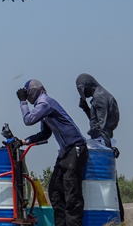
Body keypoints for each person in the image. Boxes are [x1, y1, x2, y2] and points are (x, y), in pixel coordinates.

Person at [15, 79, 87, 226]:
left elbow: (28, 120)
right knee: (55, 191)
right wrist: (23, 141)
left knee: (71, 191)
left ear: (33, 92)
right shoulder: (43, 108)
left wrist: (23, 102)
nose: (27, 97)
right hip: (66, 152)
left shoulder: (45, 103)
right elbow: (44, 134)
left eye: (27, 94)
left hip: (75, 149)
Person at [76, 73, 122, 222]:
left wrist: (106, 148)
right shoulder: (100, 96)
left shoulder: (100, 98)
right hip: (103, 139)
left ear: (88, 85)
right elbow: (96, 122)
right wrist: (86, 109)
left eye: (84, 92)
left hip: (103, 142)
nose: (85, 95)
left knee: (107, 186)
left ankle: (118, 217)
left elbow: (100, 127)